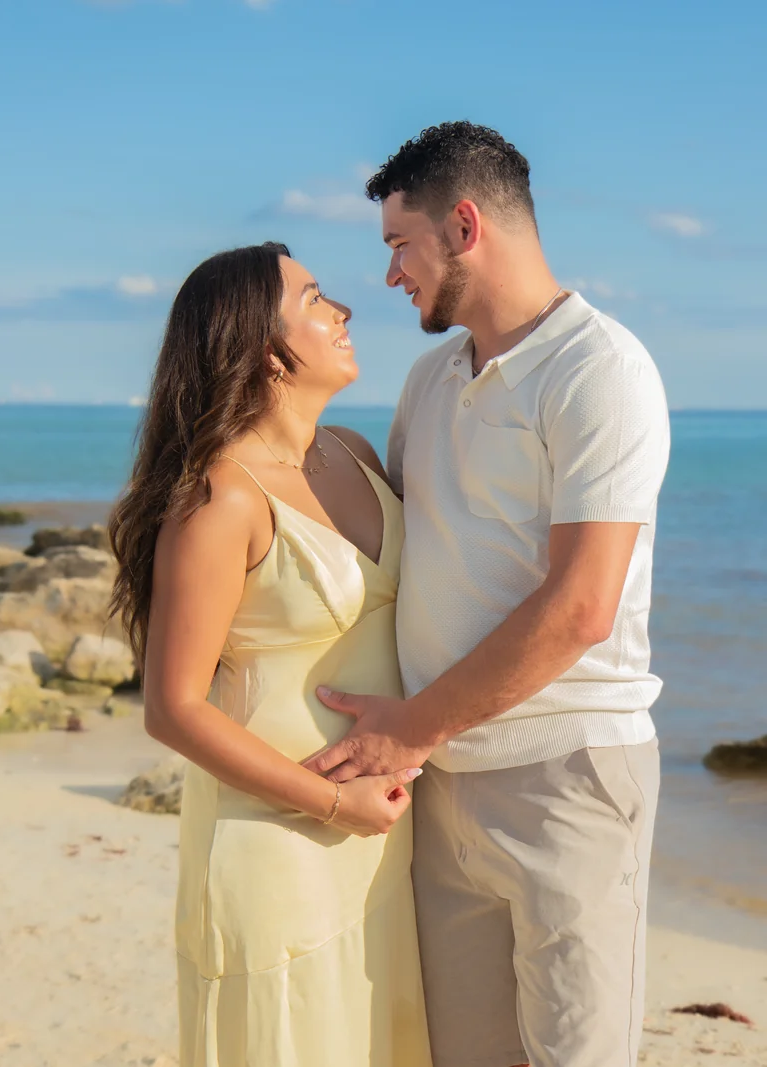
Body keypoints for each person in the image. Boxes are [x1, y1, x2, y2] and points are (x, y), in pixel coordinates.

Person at [305, 122, 671, 1067]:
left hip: (571, 779)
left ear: (463, 225)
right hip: (440, 786)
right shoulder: (429, 381)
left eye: (400, 244)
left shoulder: (601, 372)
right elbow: (383, 557)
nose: (391, 276)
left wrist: (413, 725)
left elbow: (583, 605)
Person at [107, 244, 431, 1067]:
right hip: (277, 842)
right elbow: (173, 708)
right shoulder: (218, 497)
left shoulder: (354, 451)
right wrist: (331, 806)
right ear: (263, 347)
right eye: (316, 299)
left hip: (381, 840)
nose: (343, 311)